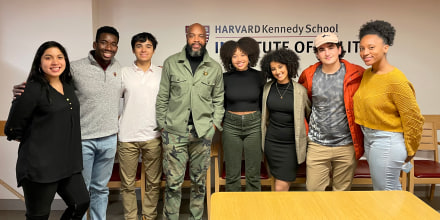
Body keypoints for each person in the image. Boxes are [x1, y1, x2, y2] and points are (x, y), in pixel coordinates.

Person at [13, 26, 122, 220]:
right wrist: (23, 90)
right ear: (95, 44)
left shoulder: (119, 69)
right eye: (104, 42)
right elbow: (49, 87)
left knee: (97, 191)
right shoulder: (74, 68)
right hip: (83, 140)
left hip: (109, 138)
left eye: (113, 43)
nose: (109, 47)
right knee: (81, 192)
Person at [5, 41, 90, 220]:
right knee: (39, 216)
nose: (55, 62)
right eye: (48, 57)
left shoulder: (68, 85)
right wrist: (40, 139)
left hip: (69, 163)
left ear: (65, 61)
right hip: (40, 167)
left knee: (80, 203)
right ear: (39, 62)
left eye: (60, 57)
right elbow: (12, 129)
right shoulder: (31, 89)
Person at [156, 23, 224, 220]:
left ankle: (195, 217)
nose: (196, 40)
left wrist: (213, 125)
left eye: (200, 36)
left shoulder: (214, 68)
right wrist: (162, 125)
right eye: (192, 36)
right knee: (173, 183)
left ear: (206, 39)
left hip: (202, 133)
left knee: (199, 182)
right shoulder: (171, 63)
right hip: (174, 132)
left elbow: (219, 99)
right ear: (186, 37)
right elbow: (163, 97)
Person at [353, 20, 424, 190]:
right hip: (371, 139)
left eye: (371, 47)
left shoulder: (396, 80)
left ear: (385, 47)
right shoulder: (368, 74)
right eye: (362, 48)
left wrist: (410, 149)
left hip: (387, 141)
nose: (365, 53)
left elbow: (413, 118)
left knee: (387, 192)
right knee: (383, 190)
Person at [298, 32, 365, 191]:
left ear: (340, 49)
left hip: (346, 145)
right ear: (317, 54)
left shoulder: (357, 73)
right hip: (317, 145)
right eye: (321, 49)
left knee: (341, 195)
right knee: (314, 194)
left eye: (331, 47)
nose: (327, 53)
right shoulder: (309, 75)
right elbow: (303, 104)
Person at [118, 32, 162, 220]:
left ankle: (149, 216)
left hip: (153, 136)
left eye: (148, 46)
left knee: (153, 182)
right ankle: (131, 217)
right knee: (127, 184)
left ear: (153, 49)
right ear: (133, 49)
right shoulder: (123, 73)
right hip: (127, 136)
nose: (143, 50)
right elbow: (111, 99)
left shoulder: (162, 73)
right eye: (139, 46)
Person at [260, 49, 311, 191]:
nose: (277, 71)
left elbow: (309, 115)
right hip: (272, 143)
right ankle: (278, 211)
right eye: (273, 69)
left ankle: (277, 212)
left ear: (289, 65)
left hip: (291, 146)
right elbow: (265, 117)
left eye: (280, 67)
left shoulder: (300, 91)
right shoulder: (267, 88)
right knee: (277, 182)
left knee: (281, 186)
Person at [219, 37, 265, 192]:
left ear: (250, 56)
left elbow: (264, 103)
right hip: (231, 126)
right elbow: (220, 104)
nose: (239, 59)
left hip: (254, 126)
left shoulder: (260, 76)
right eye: (234, 56)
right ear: (229, 59)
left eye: (243, 54)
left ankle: (252, 213)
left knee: (253, 175)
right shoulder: (224, 78)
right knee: (232, 175)